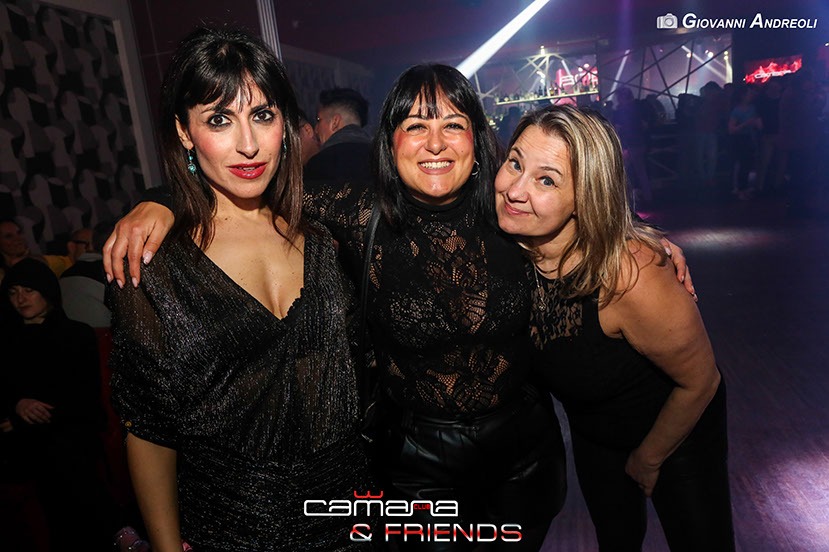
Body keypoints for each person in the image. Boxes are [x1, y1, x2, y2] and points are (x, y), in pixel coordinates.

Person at [103, 63, 692, 552]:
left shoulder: (511, 211)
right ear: (389, 142)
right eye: (415, 126)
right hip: (416, 466)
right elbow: (251, 187)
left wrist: (644, 241)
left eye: (453, 125)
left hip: (523, 457)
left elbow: (583, 215)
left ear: (477, 141)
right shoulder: (358, 214)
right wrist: (160, 202)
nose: (435, 143)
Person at [106, 27, 371, 552]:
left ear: (285, 124)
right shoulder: (153, 263)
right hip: (231, 532)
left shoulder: (323, 237)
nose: (248, 144)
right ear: (184, 132)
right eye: (219, 120)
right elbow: (149, 431)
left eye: (263, 115)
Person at [494, 105, 734, 551]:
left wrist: (649, 458)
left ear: (585, 196)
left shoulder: (630, 274)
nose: (515, 190)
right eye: (514, 163)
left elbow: (700, 381)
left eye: (547, 180)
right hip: (595, 432)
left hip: (677, 428)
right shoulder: (504, 245)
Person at [0, 258, 116, 550]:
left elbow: (82, 397)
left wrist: (22, 415)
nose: (20, 299)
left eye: (28, 290)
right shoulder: (5, 340)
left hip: (68, 430)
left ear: (46, 291)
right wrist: (17, 405)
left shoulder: (76, 334)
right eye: (13, 292)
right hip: (21, 440)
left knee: (64, 451)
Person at [305, 87, 373, 182]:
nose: (316, 129)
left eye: (319, 120)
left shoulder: (320, 164)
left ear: (335, 122)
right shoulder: (380, 161)